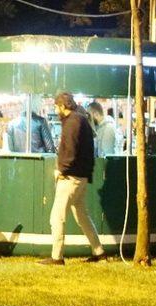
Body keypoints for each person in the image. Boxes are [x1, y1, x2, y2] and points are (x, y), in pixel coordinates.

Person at [38, 92, 106, 265]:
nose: (55, 109)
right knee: (82, 216)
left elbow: (70, 149)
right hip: (81, 176)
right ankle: (99, 252)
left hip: (71, 177)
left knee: (57, 216)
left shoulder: (72, 122)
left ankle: (57, 257)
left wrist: (62, 169)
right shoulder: (80, 119)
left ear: (62, 106)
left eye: (56, 106)